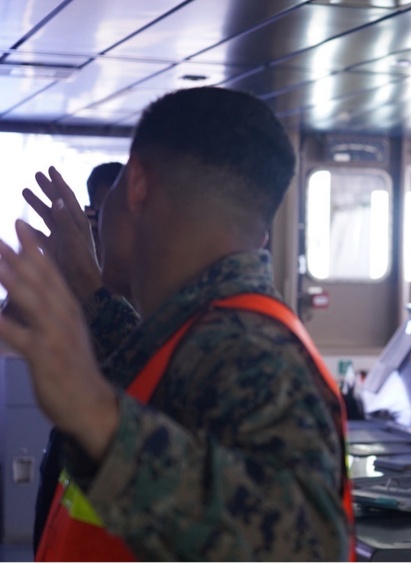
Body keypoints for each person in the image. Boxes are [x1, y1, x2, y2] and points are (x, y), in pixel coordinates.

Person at [0, 86, 353, 560]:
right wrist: (86, 288)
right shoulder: (206, 331)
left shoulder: (250, 349)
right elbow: (167, 389)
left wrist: (93, 411)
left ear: (139, 185)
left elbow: (307, 547)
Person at [29, 161, 124, 554]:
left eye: (110, 216)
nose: (101, 228)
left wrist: (90, 279)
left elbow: (138, 363)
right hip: (69, 458)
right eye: (93, 215)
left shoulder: (142, 280)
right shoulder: (76, 269)